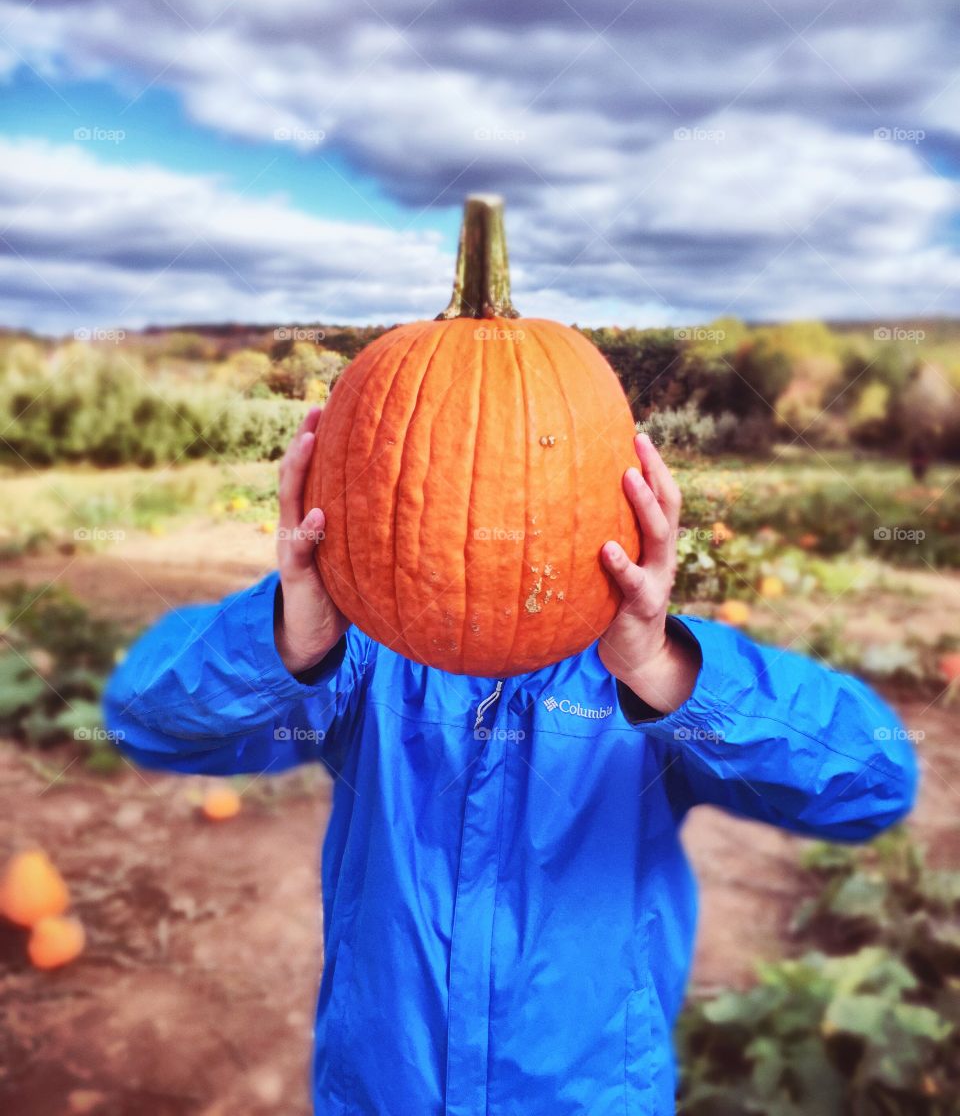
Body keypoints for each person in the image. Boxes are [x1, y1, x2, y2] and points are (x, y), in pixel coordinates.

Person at [104, 408, 918, 1115]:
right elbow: (148, 721)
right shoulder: (369, 660)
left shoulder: (650, 674)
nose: (489, 519)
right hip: (383, 1093)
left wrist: (664, 670)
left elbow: (872, 783)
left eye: (528, 489)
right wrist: (287, 635)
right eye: (454, 489)